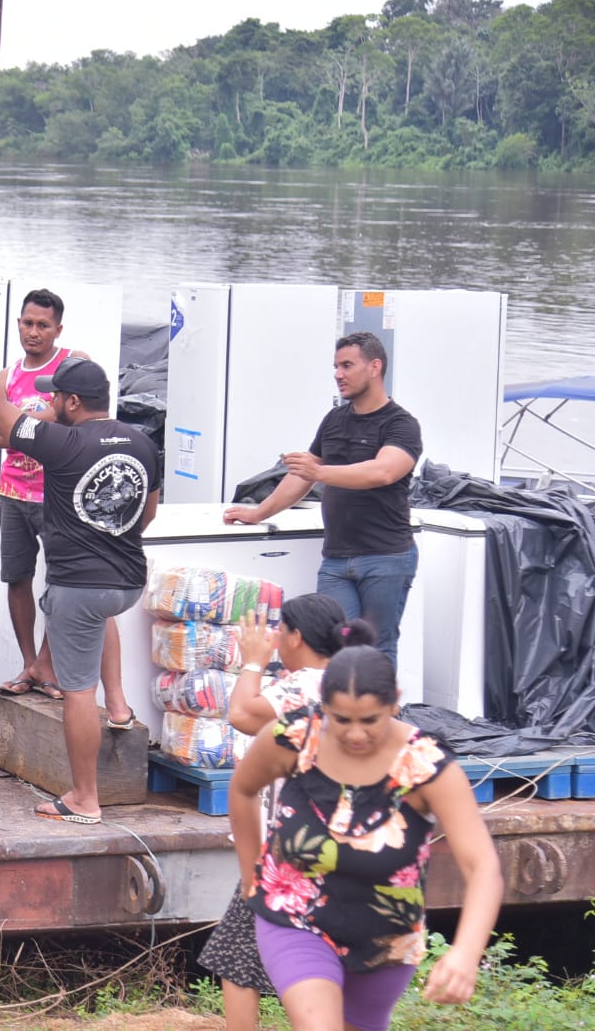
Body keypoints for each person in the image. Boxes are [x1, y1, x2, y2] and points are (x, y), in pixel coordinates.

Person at [0, 300, 160, 826]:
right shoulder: (142, 442)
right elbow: (147, 511)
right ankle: (119, 704)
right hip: (127, 580)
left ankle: (84, 798)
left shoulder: (62, 443)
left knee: (75, 692)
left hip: (79, 587)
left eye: (57, 399)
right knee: (97, 625)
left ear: (71, 401)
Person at [229, 644, 502, 1031]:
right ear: (322, 705)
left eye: (370, 720)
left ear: (395, 703)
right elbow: (242, 789)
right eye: (341, 720)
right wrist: (249, 874)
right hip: (295, 916)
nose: (355, 734)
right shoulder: (294, 737)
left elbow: (482, 866)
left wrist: (466, 953)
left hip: (385, 937)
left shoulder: (425, 764)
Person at [197, 595, 373, 1031]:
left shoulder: (302, 685)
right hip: (354, 844)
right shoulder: (357, 682)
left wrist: (253, 662)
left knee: (237, 956)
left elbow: (241, 714)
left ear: (295, 637)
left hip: (293, 845)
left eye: (280, 632)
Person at [222, 332, 422, 667]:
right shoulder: (334, 420)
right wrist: (259, 514)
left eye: (347, 365)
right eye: (335, 366)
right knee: (333, 647)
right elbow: (301, 475)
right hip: (336, 559)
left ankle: (378, 718)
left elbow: (384, 472)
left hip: (386, 557)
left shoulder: (402, 424)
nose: (338, 374)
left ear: (375, 367)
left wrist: (320, 473)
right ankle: (341, 717)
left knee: (375, 648)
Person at [0, 289, 132, 730]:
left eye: (43, 325)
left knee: (68, 585)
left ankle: (54, 667)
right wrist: (39, 420)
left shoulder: (73, 365)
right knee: (18, 579)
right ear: (18, 324)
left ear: (58, 330)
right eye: (27, 323)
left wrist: (21, 423)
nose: (34, 332)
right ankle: (32, 664)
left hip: (60, 494)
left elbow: (81, 418)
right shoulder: (7, 373)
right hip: (13, 491)